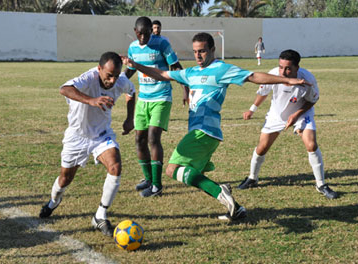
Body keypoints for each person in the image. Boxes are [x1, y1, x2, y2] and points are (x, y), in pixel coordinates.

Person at [122, 33, 310, 220]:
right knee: (193, 175)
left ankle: (221, 192)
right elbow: (162, 74)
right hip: (206, 134)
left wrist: (286, 79)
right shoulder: (191, 73)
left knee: (173, 169)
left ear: (212, 50)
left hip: (204, 131)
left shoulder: (221, 69)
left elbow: (253, 76)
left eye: (202, 51)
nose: (198, 55)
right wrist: (136, 66)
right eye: (195, 51)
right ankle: (236, 209)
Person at [39, 52, 136, 237]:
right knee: (65, 179)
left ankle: (100, 215)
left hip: (101, 135)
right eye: (109, 75)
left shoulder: (120, 81)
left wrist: (129, 119)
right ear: (99, 69)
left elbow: (131, 92)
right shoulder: (89, 77)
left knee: (115, 167)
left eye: (116, 75)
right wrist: (91, 100)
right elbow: (64, 89)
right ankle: (53, 202)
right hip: (76, 136)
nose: (112, 80)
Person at [238, 49, 338, 199]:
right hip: (276, 115)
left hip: (301, 113)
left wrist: (296, 114)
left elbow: (313, 100)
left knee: (311, 145)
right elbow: (263, 92)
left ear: (297, 68)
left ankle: (321, 184)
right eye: (280, 67)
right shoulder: (273, 74)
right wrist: (252, 110)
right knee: (262, 147)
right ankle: (252, 178)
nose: (283, 72)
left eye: (288, 68)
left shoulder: (308, 79)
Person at [125, 16, 188, 198]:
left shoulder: (162, 43)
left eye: (146, 34)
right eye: (140, 34)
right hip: (143, 99)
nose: (143, 37)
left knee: (153, 138)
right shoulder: (133, 47)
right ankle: (148, 179)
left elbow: (175, 66)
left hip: (161, 97)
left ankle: (157, 186)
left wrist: (185, 88)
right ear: (135, 32)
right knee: (139, 140)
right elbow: (130, 69)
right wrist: (117, 83)